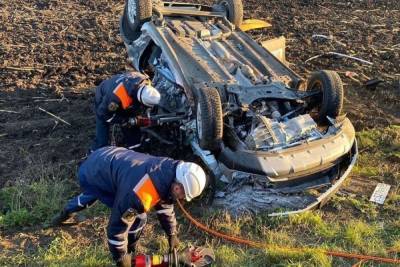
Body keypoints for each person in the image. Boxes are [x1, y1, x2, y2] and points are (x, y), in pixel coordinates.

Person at [51, 146, 207, 267]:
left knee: (101, 191)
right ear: (178, 187)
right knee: (139, 217)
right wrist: (121, 258)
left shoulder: (169, 170)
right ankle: (130, 251)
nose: (181, 200)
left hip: (110, 158)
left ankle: (63, 215)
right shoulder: (139, 195)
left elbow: (165, 203)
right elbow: (116, 227)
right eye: (182, 196)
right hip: (93, 171)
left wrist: (172, 233)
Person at [92, 72, 161, 151]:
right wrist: (123, 120)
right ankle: (95, 153)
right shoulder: (115, 97)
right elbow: (103, 114)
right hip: (103, 96)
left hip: (124, 96)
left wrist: (132, 120)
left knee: (131, 128)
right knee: (102, 131)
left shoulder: (146, 82)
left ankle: (135, 148)